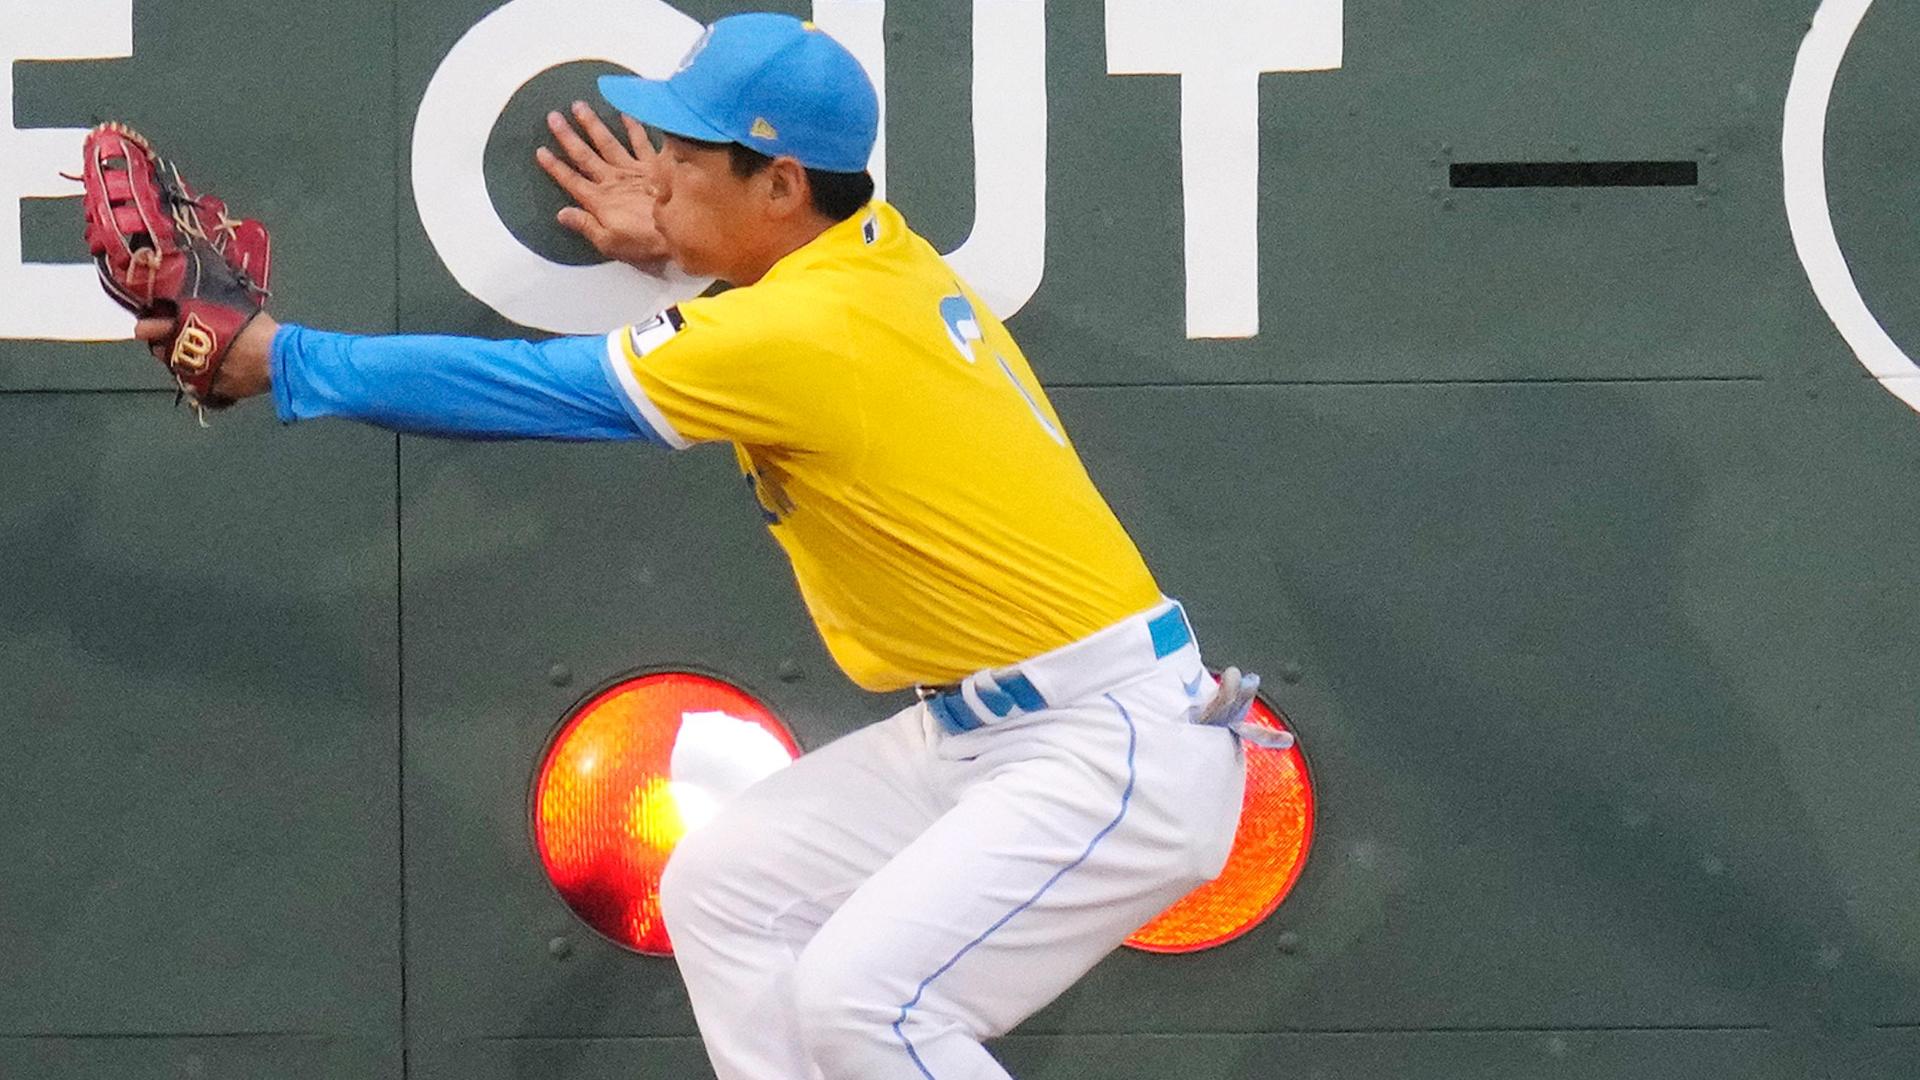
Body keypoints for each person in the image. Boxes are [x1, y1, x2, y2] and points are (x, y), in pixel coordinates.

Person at [133, 13, 1268, 1079]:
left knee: (866, 1007)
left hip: (1104, 750)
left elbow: (535, 390)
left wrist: (285, 361)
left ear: (779, 185)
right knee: (730, 884)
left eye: (688, 153)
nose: (656, 171)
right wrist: (699, 247)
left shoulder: (800, 325)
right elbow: (785, 312)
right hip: (1001, 734)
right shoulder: (874, 256)